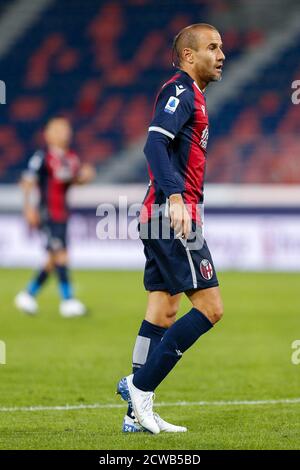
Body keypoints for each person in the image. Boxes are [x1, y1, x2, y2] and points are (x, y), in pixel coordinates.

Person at [117, 23, 225, 433]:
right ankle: (138, 387)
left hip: (160, 214)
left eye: (221, 47)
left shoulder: (192, 95)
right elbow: (154, 143)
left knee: (163, 310)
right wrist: (177, 199)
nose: (221, 55)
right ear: (188, 56)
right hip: (172, 216)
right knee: (211, 309)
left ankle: (134, 416)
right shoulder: (179, 90)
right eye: (212, 47)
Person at [15, 117, 95, 318]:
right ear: (48, 134)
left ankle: (28, 294)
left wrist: (85, 176)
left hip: (62, 214)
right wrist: (28, 209)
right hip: (46, 213)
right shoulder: (41, 157)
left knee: (53, 258)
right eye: (58, 129)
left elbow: (76, 180)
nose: (64, 133)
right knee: (61, 254)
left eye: (66, 129)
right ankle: (68, 301)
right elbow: (27, 182)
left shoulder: (71, 157)